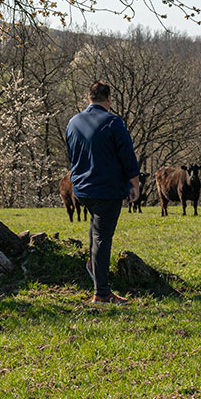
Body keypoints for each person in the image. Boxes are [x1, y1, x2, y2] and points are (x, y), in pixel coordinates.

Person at [65, 81, 140, 305]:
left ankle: (92, 265)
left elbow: (71, 153)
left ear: (89, 98)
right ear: (108, 99)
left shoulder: (73, 122)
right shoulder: (113, 122)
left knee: (96, 229)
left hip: (81, 189)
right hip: (107, 189)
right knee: (102, 238)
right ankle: (102, 292)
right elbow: (127, 155)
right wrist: (134, 184)